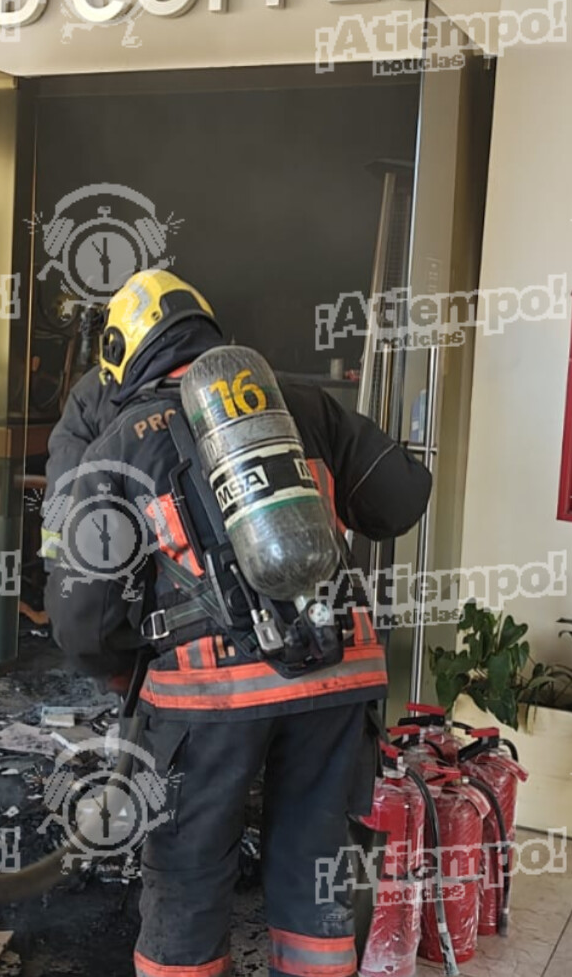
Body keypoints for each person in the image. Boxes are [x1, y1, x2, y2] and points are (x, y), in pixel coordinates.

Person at [45, 269, 431, 977]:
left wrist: (132, 661)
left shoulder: (121, 442)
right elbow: (402, 498)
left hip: (207, 699)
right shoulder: (300, 401)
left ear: (122, 356)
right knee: (313, 868)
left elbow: (80, 619)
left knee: (189, 871)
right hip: (338, 675)